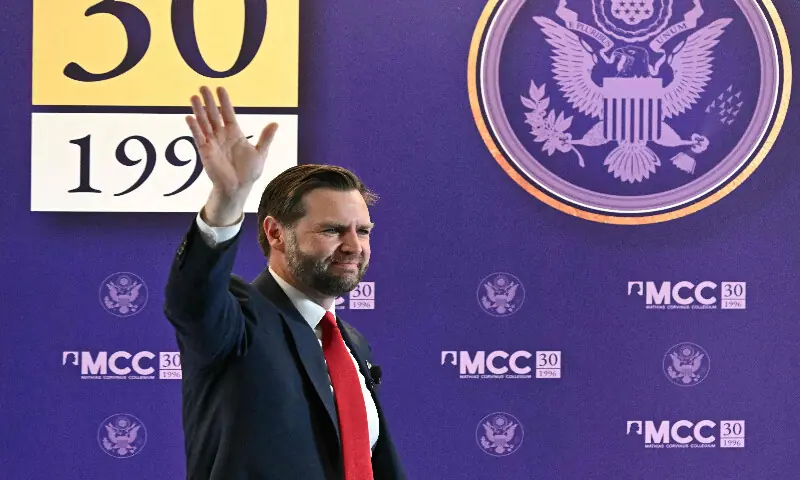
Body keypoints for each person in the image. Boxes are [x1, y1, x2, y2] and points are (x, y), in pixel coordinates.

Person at [163, 86, 407, 480]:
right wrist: (228, 199)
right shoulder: (239, 320)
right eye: (332, 230)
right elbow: (192, 299)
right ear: (276, 234)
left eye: (362, 231)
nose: (353, 246)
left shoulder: (351, 343)